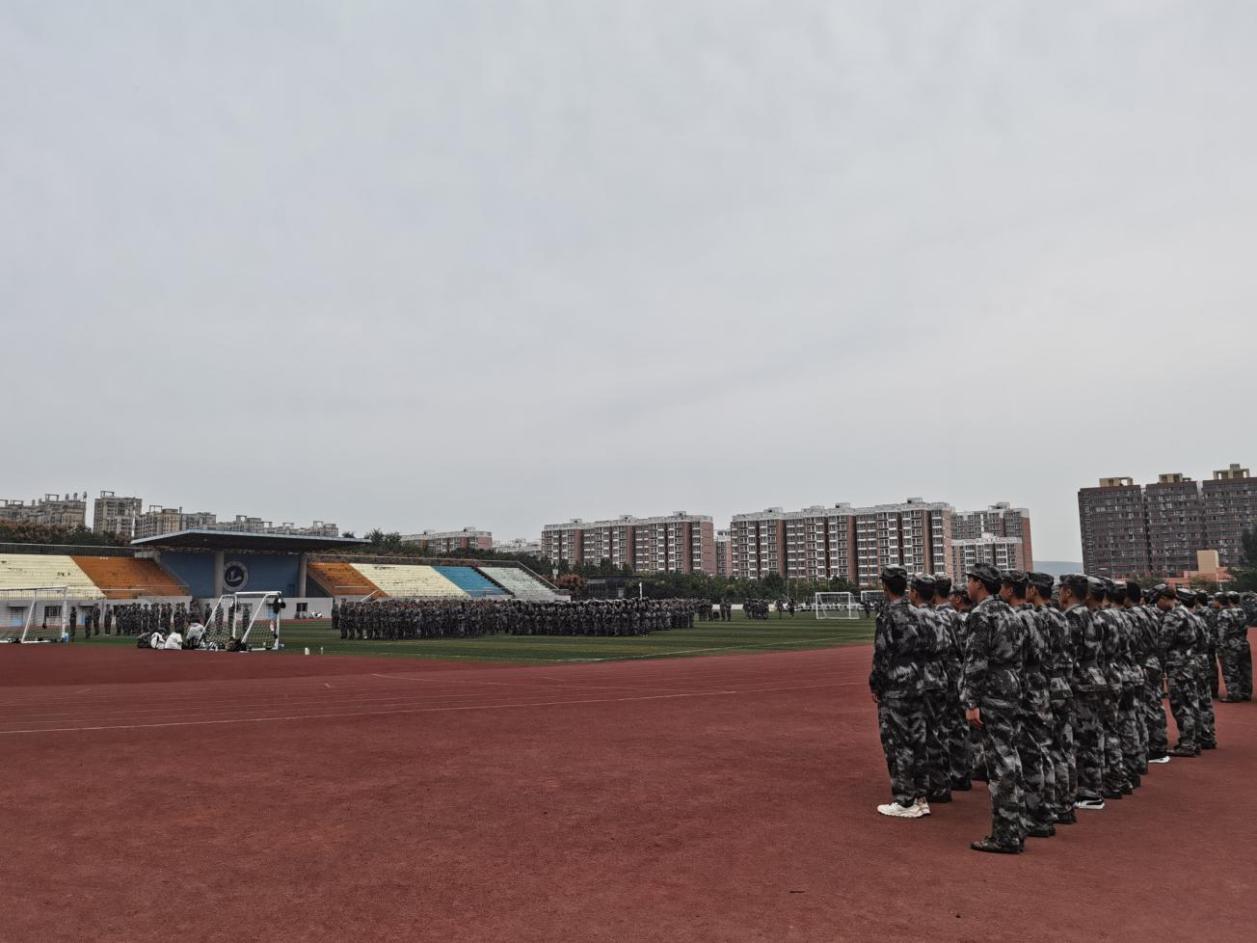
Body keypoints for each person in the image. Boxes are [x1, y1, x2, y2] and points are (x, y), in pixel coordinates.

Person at [961, 562, 1026, 853]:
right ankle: (1016, 827)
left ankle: (1006, 835)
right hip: (1010, 687)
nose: (967, 585)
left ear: (980, 583)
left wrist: (971, 702)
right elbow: (1019, 656)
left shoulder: (981, 614)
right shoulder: (1010, 613)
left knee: (1000, 764)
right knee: (1011, 758)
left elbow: (976, 661)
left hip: (992, 692)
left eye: (970, 580)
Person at [869, 566, 929, 819]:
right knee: (918, 741)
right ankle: (921, 797)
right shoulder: (918, 612)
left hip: (895, 685)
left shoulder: (888, 615)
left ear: (885, 586)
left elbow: (882, 653)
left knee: (897, 743)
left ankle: (905, 800)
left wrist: (876, 684)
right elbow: (929, 646)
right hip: (918, 682)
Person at [1001, 570, 1055, 838]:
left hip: (1024, 687)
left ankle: (1034, 814)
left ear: (1011, 590)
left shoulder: (1016, 618)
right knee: (1041, 750)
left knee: (1027, 752)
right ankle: (1044, 809)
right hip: (1039, 684)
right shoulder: (1039, 616)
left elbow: (1010, 656)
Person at [1159, 586, 1202, 758]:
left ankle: (1187, 743)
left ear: (1165, 598)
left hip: (1178, 664)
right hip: (1190, 661)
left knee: (1181, 704)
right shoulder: (1189, 614)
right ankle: (1194, 741)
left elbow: (1163, 641)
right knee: (1192, 702)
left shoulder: (1173, 616)